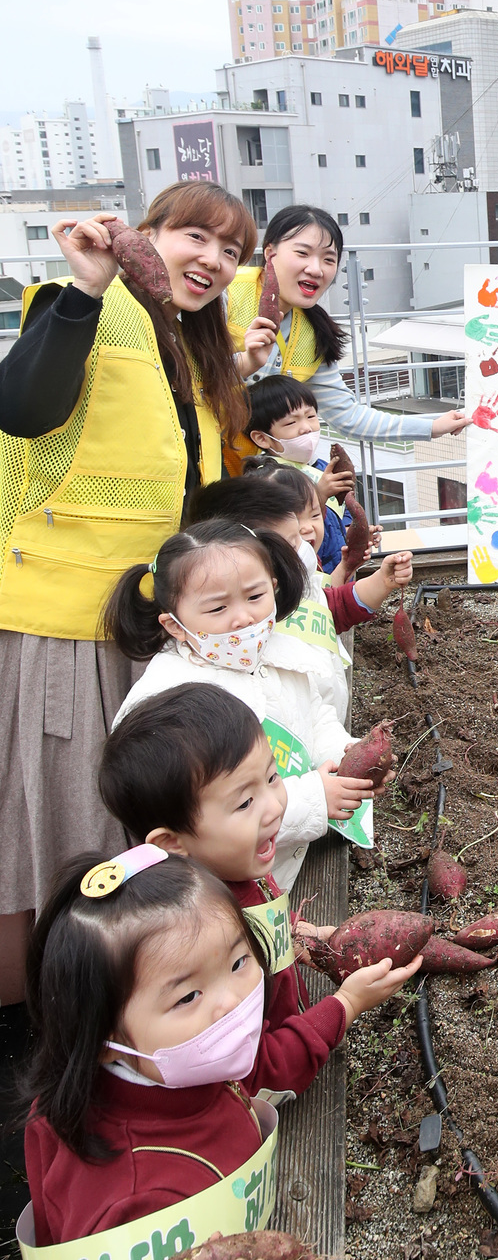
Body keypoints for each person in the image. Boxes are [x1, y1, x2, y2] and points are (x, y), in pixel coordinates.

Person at [16, 847, 416, 1260]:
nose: (234, 1000)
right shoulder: (140, 1193)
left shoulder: (152, 1077)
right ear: (109, 1038)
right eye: (189, 995)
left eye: (238, 961)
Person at [0, 182, 257, 1003]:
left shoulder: (184, 345)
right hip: (63, 627)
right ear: (146, 235)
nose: (212, 261)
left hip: (139, 631)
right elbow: (22, 406)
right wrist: (83, 287)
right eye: (194, 237)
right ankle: (47, 1037)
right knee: (60, 846)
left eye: (231, 253)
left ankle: (106, 1019)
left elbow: (193, 495)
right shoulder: (95, 308)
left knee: (113, 839)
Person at [97, 690, 419, 1096]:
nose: (274, 806)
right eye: (245, 802)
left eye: (272, 778)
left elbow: (264, 919)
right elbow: (258, 1072)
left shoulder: (234, 874)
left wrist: (300, 936)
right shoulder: (199, 946)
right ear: (173, 843)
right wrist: (346, 1006)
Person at [105, 521, 374, 894]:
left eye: (254, 596)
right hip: (231, 890)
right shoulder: (174, 702)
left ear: (274, 587)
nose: (244, 618)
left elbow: (315, 715)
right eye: (218, 607)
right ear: (176, 625)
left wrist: (346, 753)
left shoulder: (279, 649)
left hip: (288, 862)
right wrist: (315, 798)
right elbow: (217, 812)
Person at [224, 205, 472, 466]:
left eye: (329, 259)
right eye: (302, 253)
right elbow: (186, 376)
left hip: (249, 475)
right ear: (270, 254)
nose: (316, 269)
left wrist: (434, 425)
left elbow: (349, 417)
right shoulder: (228, 293)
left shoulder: (313, 331)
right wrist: (244, 363)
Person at [189, 467, 412, 724]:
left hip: (325, 725)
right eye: (292, 540)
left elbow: (335, 605)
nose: (305, 536)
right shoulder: (247, 616)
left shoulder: (305, 575)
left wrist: (382, 581)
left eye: (314, 515)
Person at [244, 372, 352, 573]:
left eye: (311, 416)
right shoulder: (264, 482)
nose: (306, 428)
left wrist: (354, 533)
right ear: (262, 438)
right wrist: (318, 496)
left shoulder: (322, 468)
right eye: (291, 423)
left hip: (337, 572)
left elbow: (343, 515)